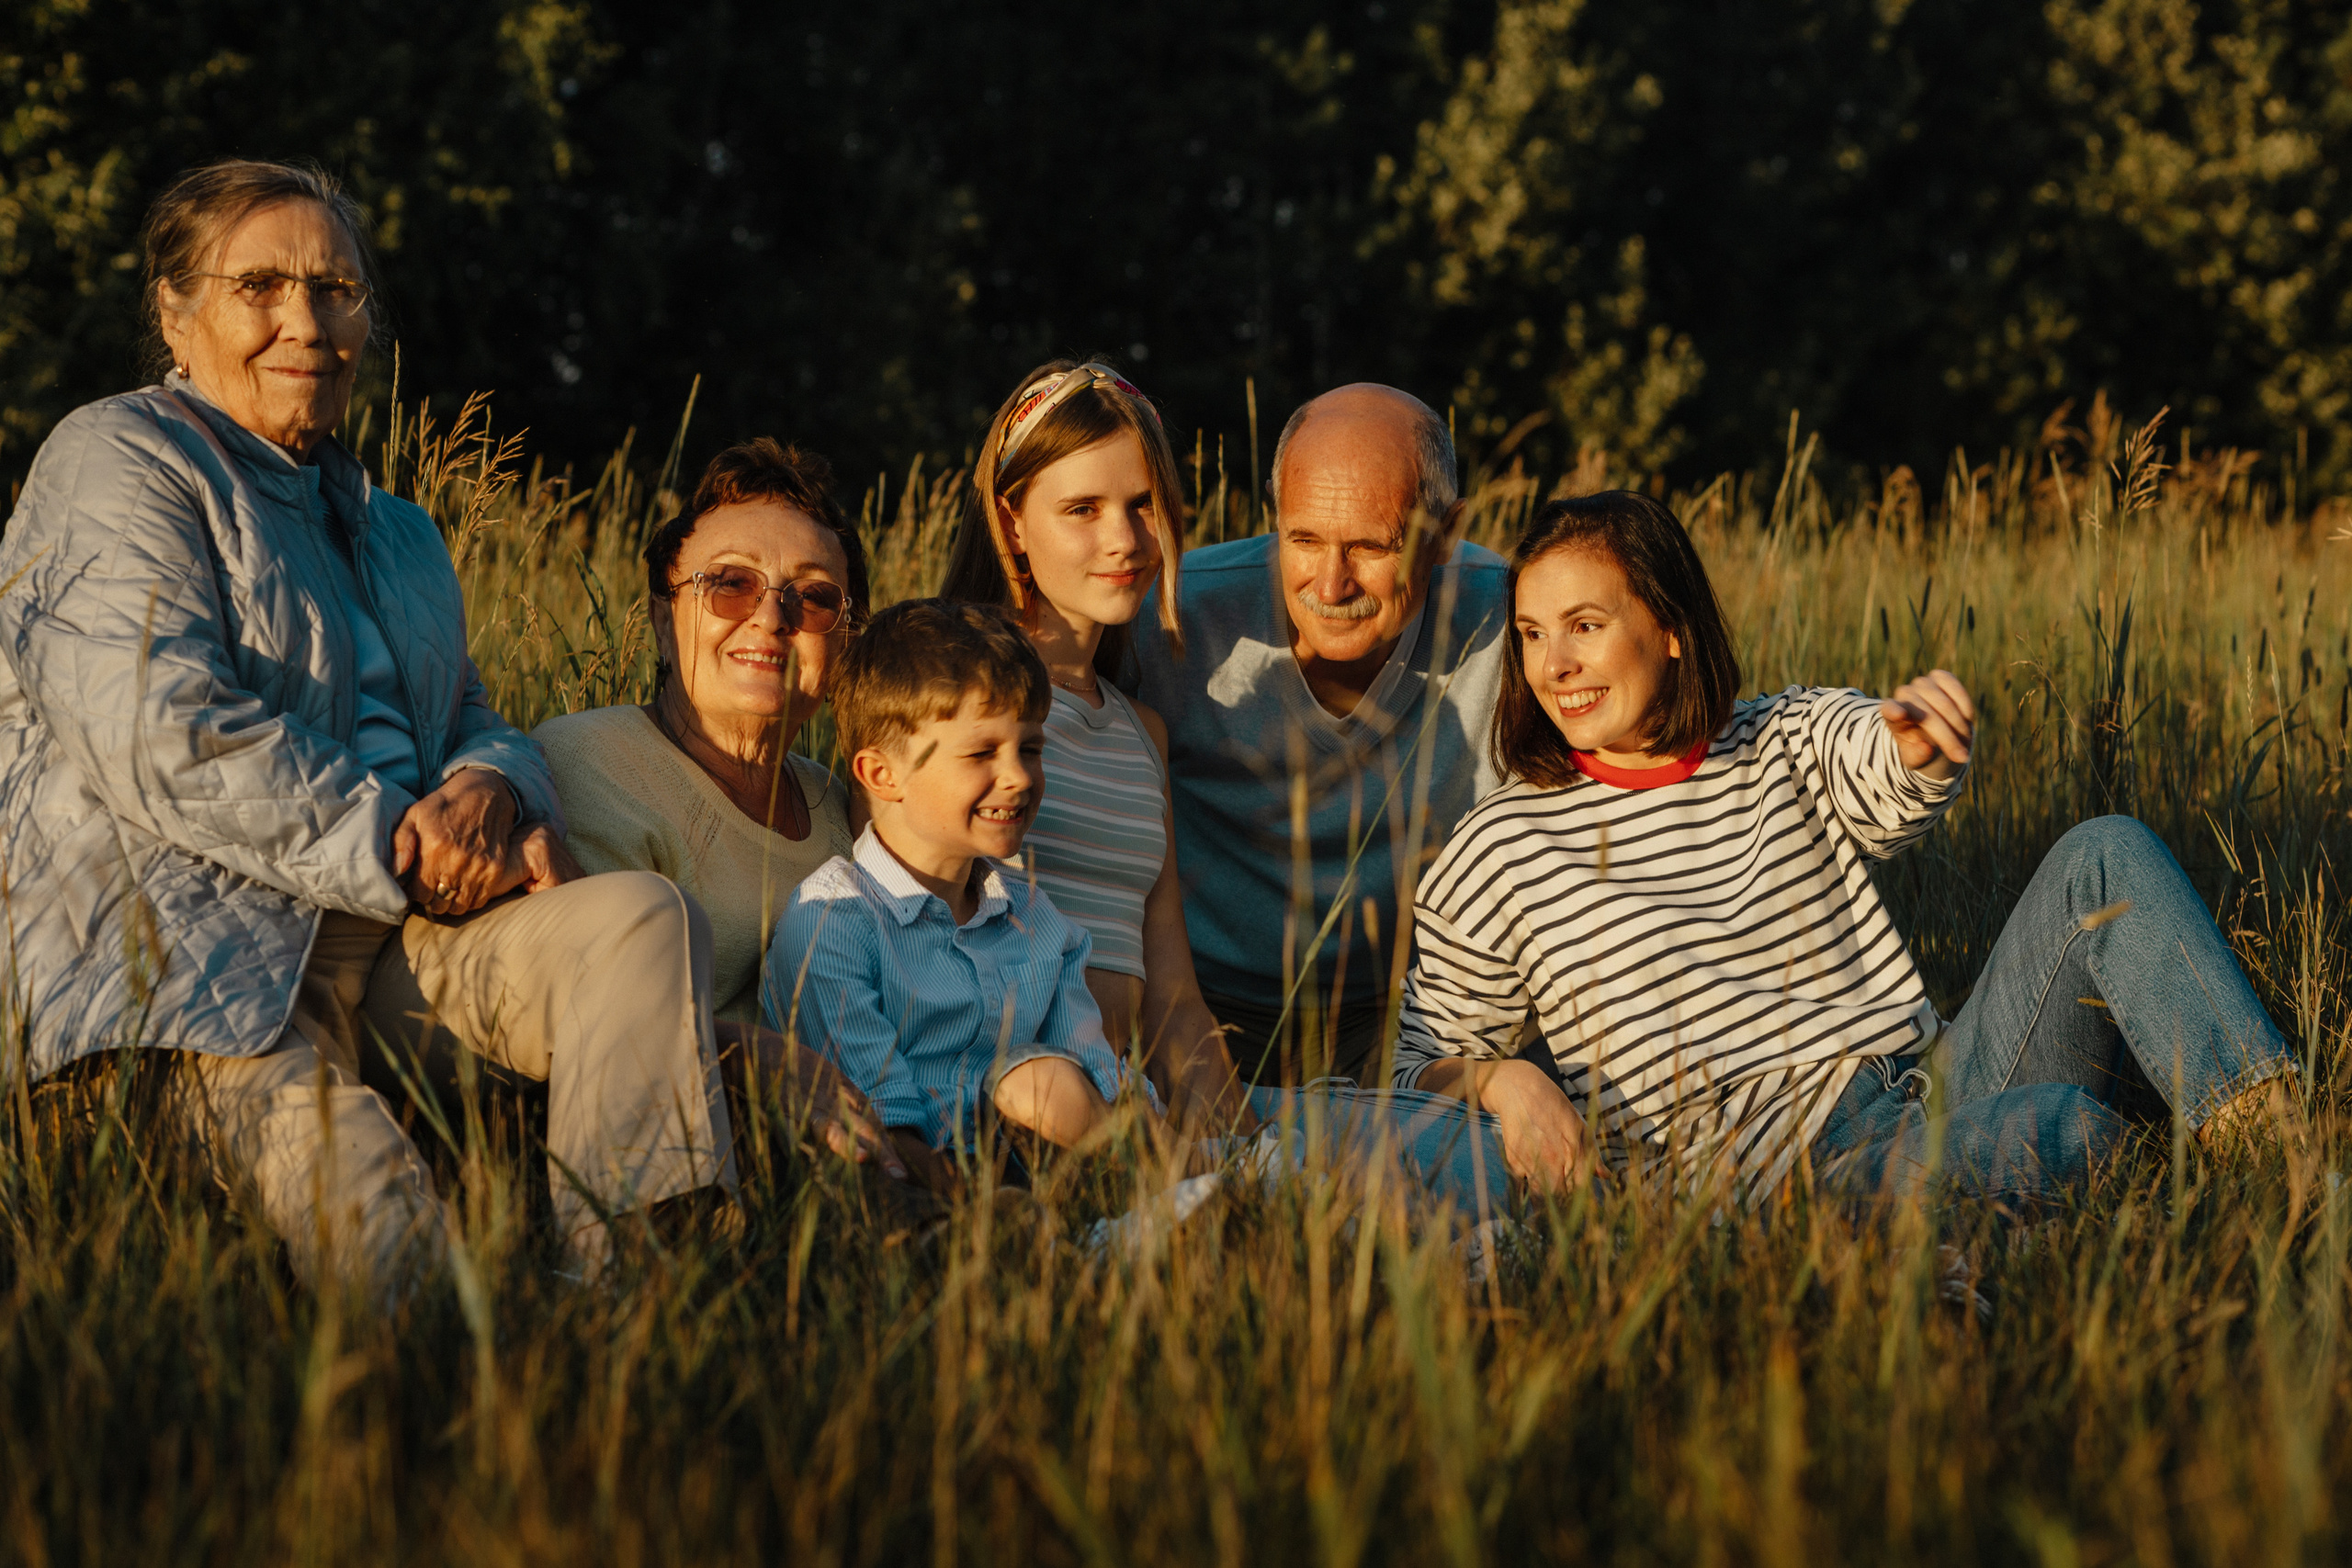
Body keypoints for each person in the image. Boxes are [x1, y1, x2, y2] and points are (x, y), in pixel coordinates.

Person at [0, 158, 733, 1297]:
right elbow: (158, 731)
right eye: (262, 285)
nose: (308, 322)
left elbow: (476, 719)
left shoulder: (400, 532)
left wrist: (492, 790)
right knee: (395, 1243)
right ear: (175, 313)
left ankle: (628, 1307)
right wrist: (403, 838)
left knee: (637, 919)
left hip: (400, 943)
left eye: (336, 289)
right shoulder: (117, 461)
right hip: (201, 970)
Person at [1394, 490, 2301, 1201]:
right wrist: (1505, 1082)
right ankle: (2145, 1140)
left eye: (1584, 627)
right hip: (1795, 1186)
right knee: (2066, 1132)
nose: (1552, 666)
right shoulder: (1501, 850)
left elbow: (1876, 766)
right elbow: (1414, 1065)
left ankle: (2293, 1175)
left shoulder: (1781, 737)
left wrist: (1911, 743)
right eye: (1531, 635)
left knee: (2104, 855)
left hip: (1935, 1084)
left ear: (1668, 630)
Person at [941, 358, 1512, 1211]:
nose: (1126, 540)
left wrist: (1244, 1156)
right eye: (1082, 510)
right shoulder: (948, 707)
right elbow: (914, 934)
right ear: (1010, 520)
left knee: (1466, 1162)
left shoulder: (1140, 726)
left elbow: (1171, 991)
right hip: (1017, 1098)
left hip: (1152, 1095)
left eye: (1144, 506)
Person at [1125, 384, 1511, 1086]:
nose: (1329, 584)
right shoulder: (1172, 617)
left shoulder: (1521, 624)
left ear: (1448, 534)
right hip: (1191, 1010)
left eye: (1370, 545)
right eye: (1303, 540)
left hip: (1414, 1019)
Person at [533, 438, 900, 1175]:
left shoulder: (847, 803)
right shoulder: (592, 762)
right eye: (730, 584)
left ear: (845, 638)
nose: (771, 618)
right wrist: (753, 1056)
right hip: (668, 1160)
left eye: (815, 597)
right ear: (666, 618)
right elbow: (589, 1014)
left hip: (854, 1150)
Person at [763, 601, 1164, 1187]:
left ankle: (1178, 1187)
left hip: (1053, 1171)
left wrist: (1142, 1123)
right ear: (881, 775)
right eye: (981, 753)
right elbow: (880, 1122)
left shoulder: (1034, 917)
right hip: (906, 1186)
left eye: (1030, 748)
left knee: (1043, 1083)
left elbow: (1098, 1067)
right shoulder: (832, 923)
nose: (1021, 777)